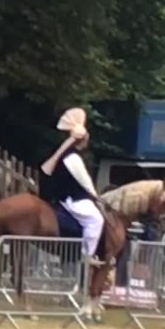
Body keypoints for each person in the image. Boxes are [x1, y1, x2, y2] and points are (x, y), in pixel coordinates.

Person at [39, 108, 104, 266]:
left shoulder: (69, 156)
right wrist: (97, 198)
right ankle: (86, 254)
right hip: (73, 199)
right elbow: (85, 183)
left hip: (70, 197)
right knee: (96, 220)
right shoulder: (73, 158)